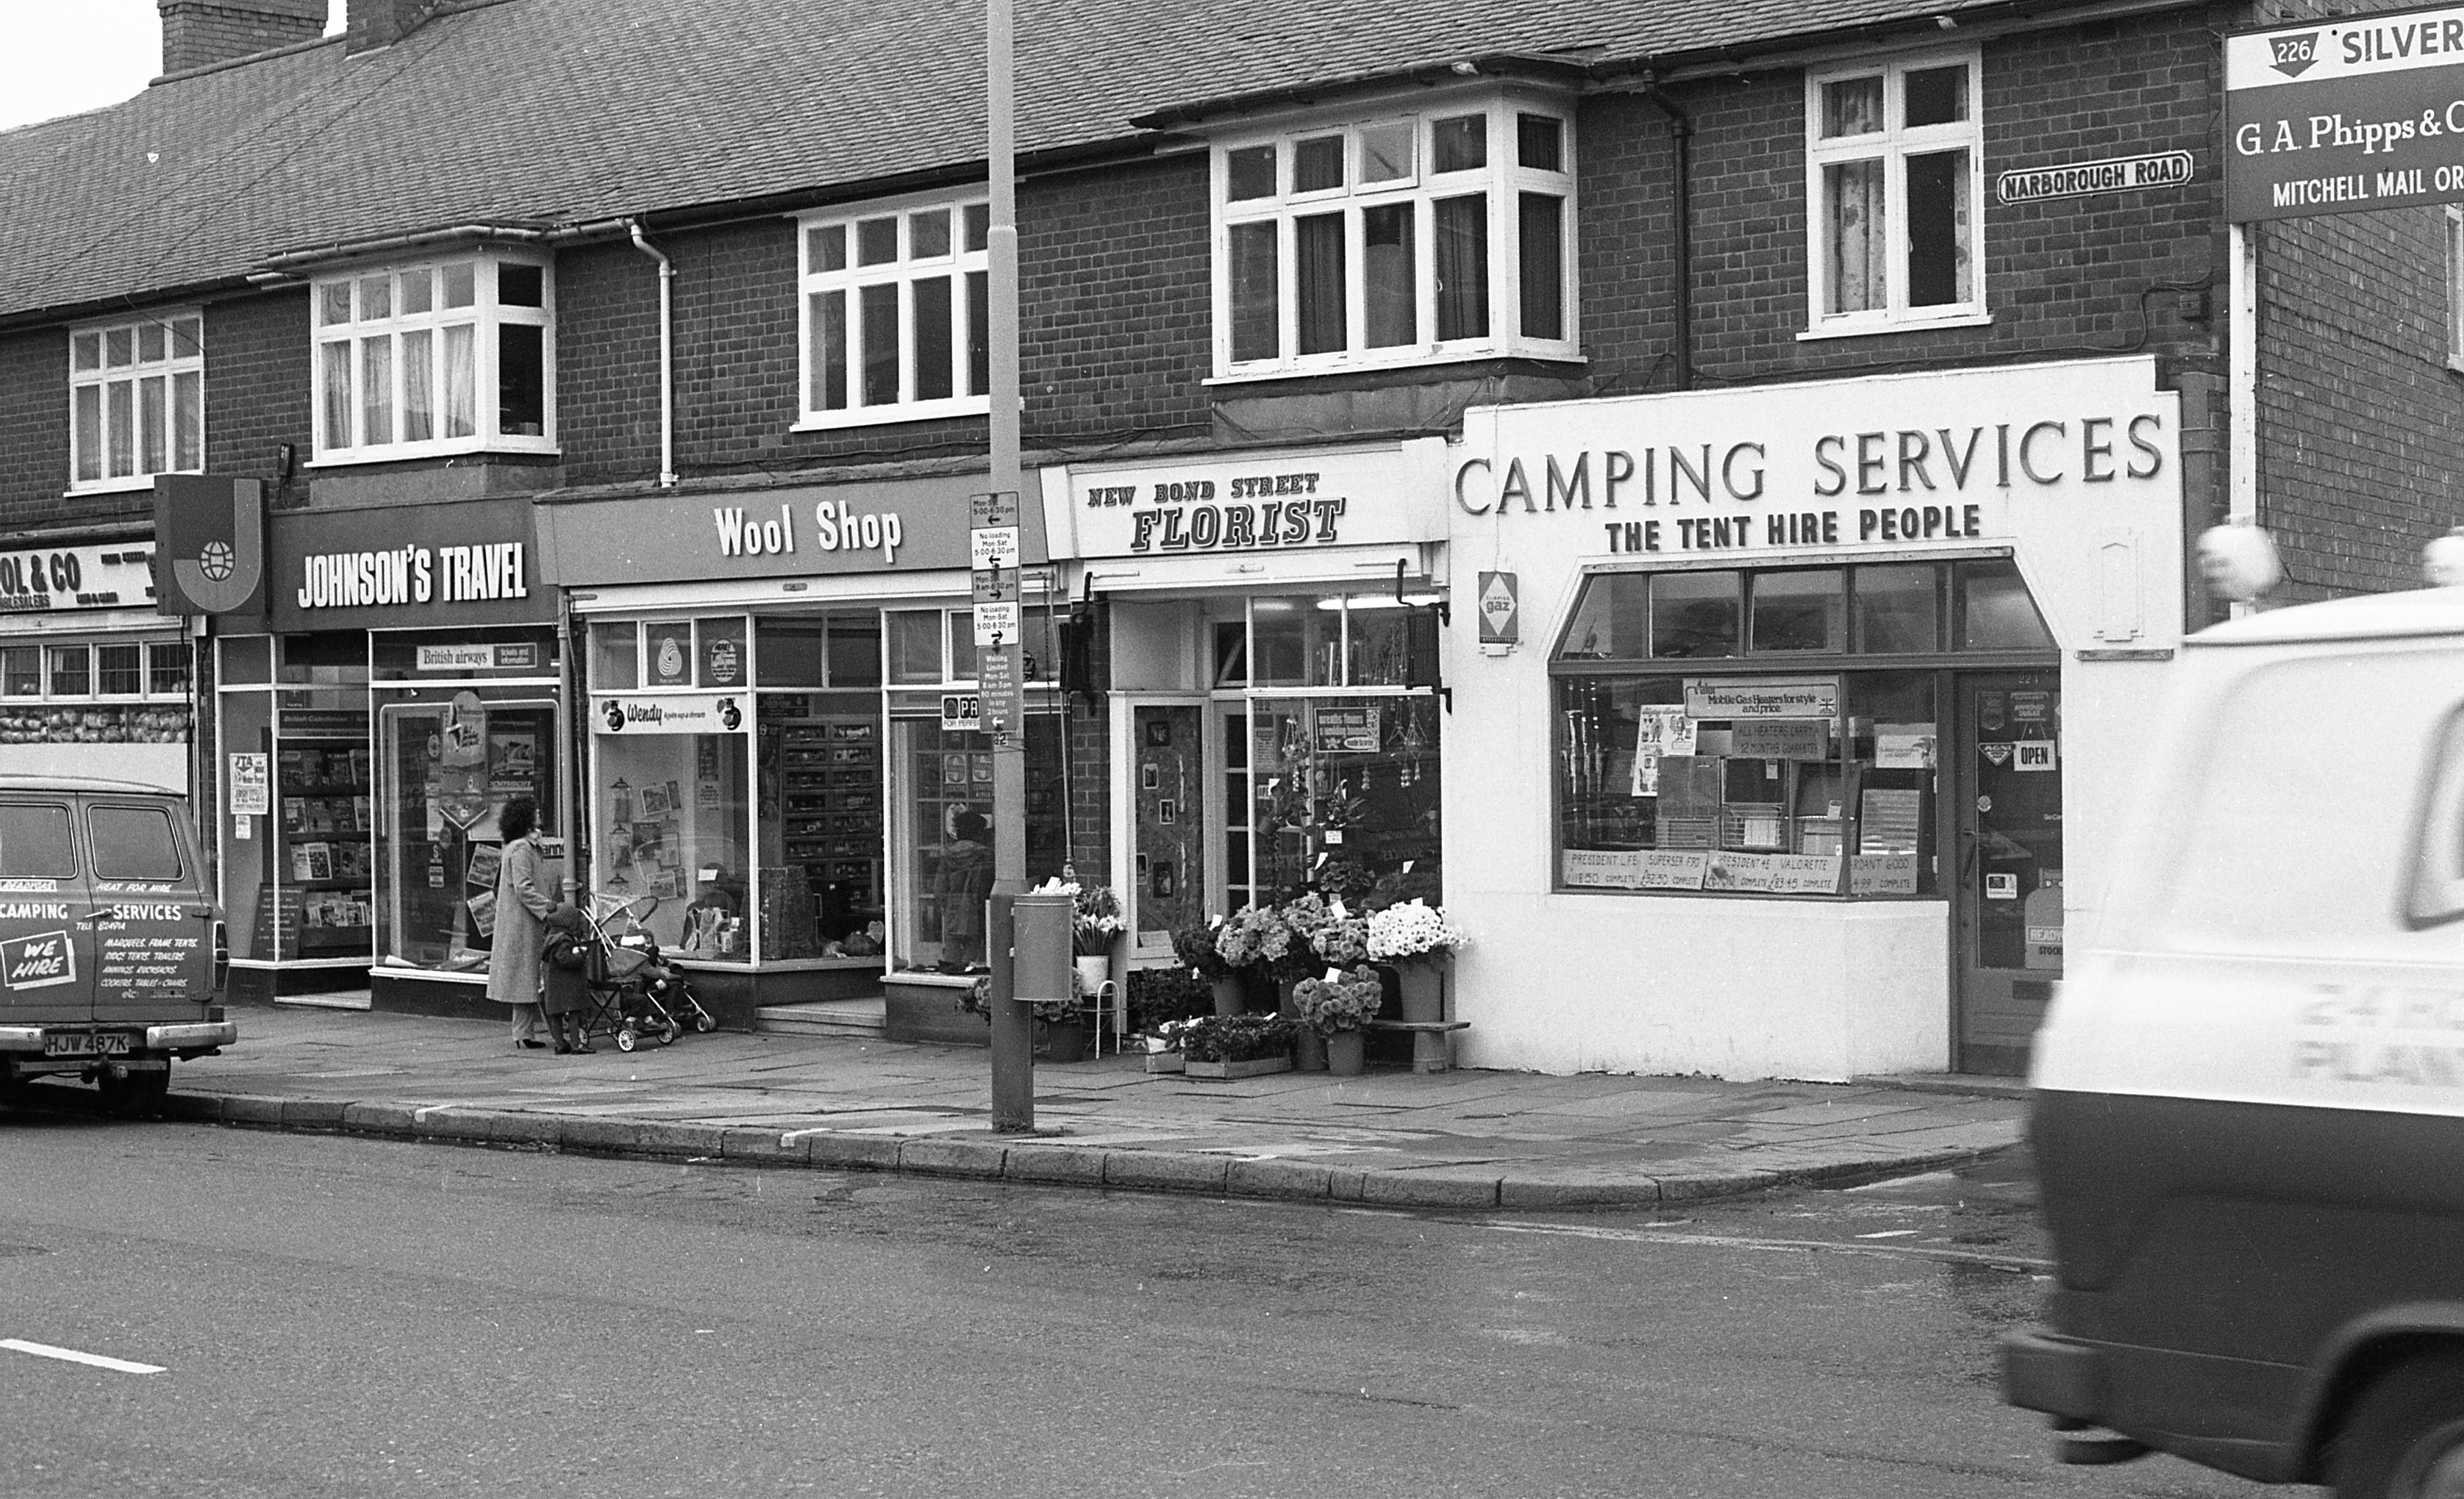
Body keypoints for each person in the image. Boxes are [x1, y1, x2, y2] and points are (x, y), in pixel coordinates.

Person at [485, 798, 557, 1050]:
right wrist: (547, 909)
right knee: (528, 977)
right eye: (534, 812)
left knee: (525, 979)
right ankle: (531, 1033)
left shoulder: (522, 846)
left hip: (522, 921)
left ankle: (524, 1034)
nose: (539, 813)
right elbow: (524, 888)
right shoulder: (521, 849)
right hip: (523, 922)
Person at [935, 804, 993, 972]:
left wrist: (949, 905)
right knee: (973, 961)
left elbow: (939, 889)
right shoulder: (985, 855)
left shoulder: (948, 856)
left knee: (951, 958)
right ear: (978, 832)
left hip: (954, 910)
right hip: (977, 910)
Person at [538, 904, 594, 1054]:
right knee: (574, 1014)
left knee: (556, 1015)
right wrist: (581, 955)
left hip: (554, 983)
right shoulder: (564, 940)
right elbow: (565, 959)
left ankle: (560, 1044)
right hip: (567, 984)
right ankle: (576, 1045)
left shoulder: (551, 937)